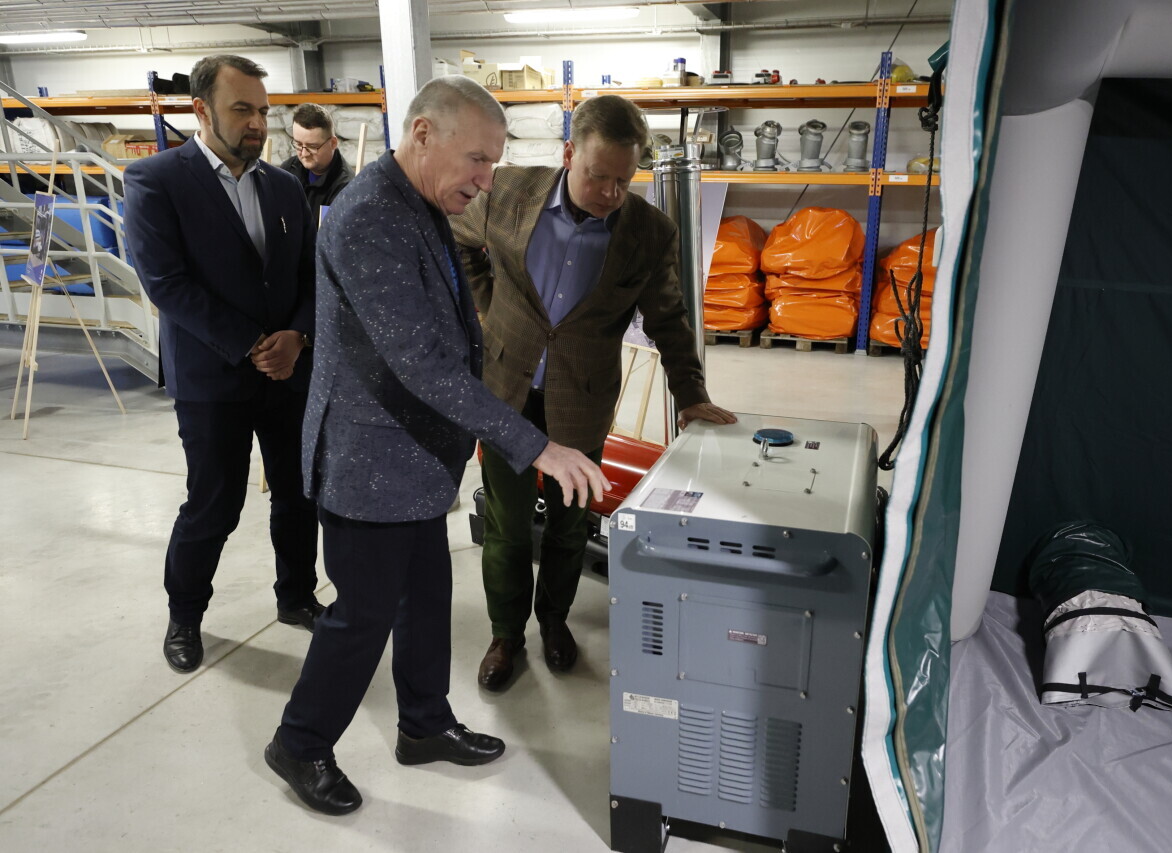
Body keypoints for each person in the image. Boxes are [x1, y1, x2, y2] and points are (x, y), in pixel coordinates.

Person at [264, 76, 610, 817]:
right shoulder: (367, 216)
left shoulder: (416, 201)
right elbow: (419, 361)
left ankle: (423, 724)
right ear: (422, 133)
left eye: (494, 163)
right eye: (477, 159)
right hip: (367, 462)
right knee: (363, 614)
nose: (486, 180)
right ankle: (300, 741)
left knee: (425, 598)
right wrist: (536, 447)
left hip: (414, 459)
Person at [451, 94, 737, 692]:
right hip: (505, 391)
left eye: (623, 180)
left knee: (569, 524)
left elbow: (668, 318)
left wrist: (690, 392)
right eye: (597, 176)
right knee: (505, 525)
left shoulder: (648, 232)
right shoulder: (508, 193)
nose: (610, 193)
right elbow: (458, 239)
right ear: (568, 154)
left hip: (580, 400)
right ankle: (506, 635)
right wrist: (486, 305)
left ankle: (554, 621)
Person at [123, 55, 322, 676]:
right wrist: (252, 344)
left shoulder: (284, 186)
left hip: (288, 373)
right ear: (201, 110)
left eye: (263, 110)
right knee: (214, 504)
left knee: (298, 495)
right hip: (213, 380)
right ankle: (185, 617)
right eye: (243, 109)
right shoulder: (155, 180)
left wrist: (297, 336)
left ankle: (297, 596)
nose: (257, 122)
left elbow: (311, 274)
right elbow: (166, 283)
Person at [280, 102, 353, 224]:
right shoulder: (288, 170)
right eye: (298, 144)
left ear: (333, 143)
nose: (304, 154)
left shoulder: (344, 187)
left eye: (312, 147)